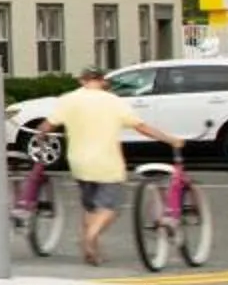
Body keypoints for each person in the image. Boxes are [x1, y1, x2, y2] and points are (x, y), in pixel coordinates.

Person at [38, 69, 179, 266]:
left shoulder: (68, 100)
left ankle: (93, 252)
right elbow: (141, 127)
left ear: (82, 80)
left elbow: (47, 126)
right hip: (107, 162)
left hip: (78, 161)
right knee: (110, 208)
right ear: (103, 81)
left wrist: (40, 137)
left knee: (90, 207)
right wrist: (170, 139)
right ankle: (89, 237)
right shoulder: (114, 101)